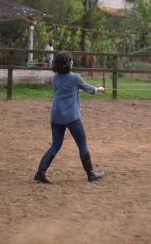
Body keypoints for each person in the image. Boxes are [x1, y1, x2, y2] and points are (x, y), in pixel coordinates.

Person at [34, 51, 105, 183]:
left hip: (56, 116)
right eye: (71, 60)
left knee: (55, 145)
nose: (72, 62)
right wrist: (98, 89)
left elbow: (67, 89)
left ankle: (40, 173)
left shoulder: (55, 77)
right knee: (82, 143)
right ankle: (91, 174)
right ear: (68, 63)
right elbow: (87, 88)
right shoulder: (74, 77)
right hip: (72, 117)